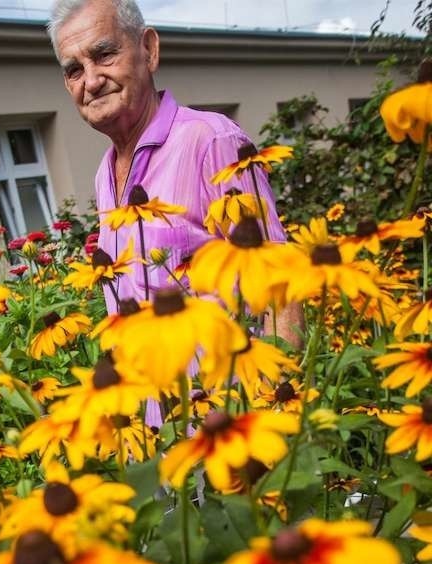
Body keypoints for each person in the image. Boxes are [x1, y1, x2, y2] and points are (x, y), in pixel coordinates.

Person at [47, 0, 302, 344]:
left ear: (148, 50)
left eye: (104, 54)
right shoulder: (104, 177)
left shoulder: (211, 141)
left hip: (229, 392)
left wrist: (275, 392)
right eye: (74, 70)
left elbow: (278, 284)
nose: (90, 81)